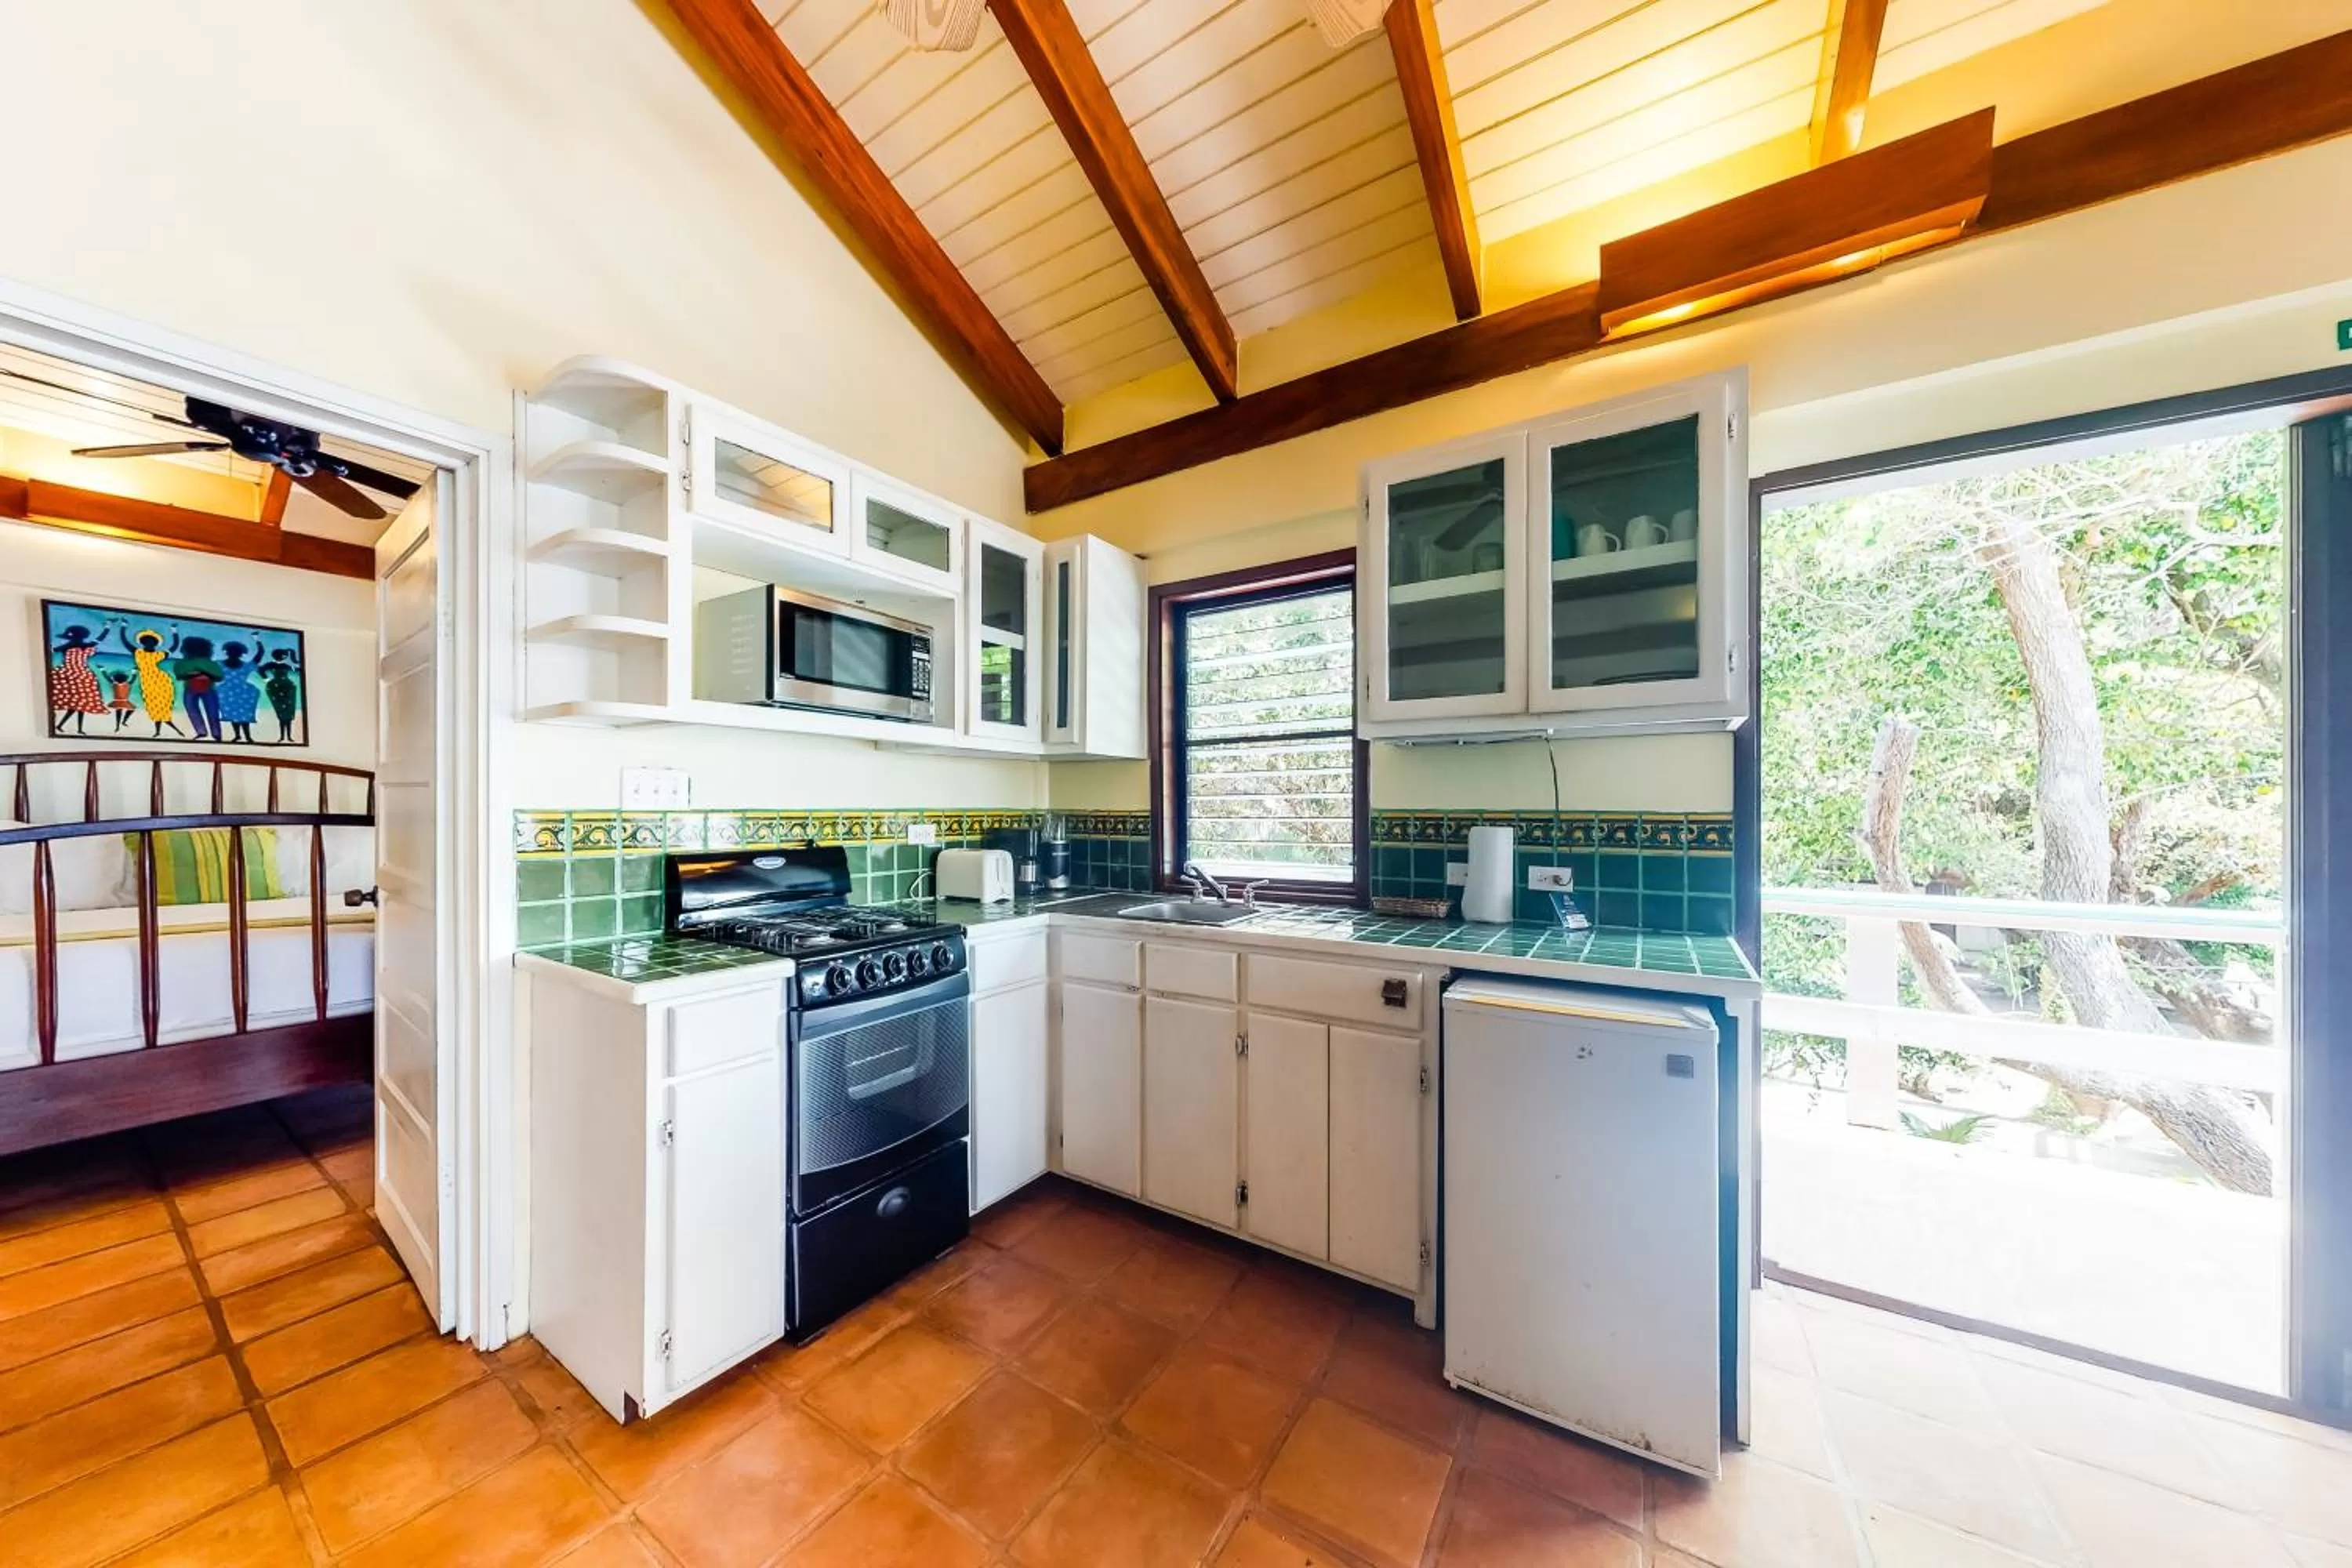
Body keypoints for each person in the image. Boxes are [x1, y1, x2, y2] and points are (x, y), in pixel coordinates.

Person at [111, 623, 184, 739]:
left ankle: (162, 729)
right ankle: (158, 731)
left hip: (161, 681)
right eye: (146, 641)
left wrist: (174, 631)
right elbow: (125, 642)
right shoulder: (138, 652)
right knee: (153, 706)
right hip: (148, 683)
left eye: (152, 642)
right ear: (142, 643)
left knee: (163, 705)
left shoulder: (158, 654)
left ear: (156, 644)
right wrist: (123, 628)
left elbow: (174, 647)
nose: (150, 644)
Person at [46, 621, 109, 736]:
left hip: (68, 674)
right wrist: (107, 627)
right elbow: (100, 639)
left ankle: (64, 726)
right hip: (83, 675)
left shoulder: (66, 646)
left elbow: (49, 650)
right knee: (80, 704)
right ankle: (74, 728)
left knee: (76, 704)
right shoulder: (87, 645)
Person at [175, 635, 227, 742]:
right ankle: (208, 733)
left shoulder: (208, 663)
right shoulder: (182, 663)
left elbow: (219, 677)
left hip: (206, 689)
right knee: (199, 710)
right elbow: (180, 676)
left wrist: (204, 674)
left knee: (207, 711)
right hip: (193, 689)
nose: (182, 651)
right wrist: (198, 674)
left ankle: (212, 733)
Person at [217, 638, 263, 744]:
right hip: (242, 692)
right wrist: (258, 641)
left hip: (230, 692)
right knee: (240, 715)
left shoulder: (219, 664)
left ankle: (241, 736)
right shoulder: (246, 666)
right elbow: (259, 655)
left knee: (237, 715)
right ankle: (244, 737)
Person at [259, 641, 303, 744]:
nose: (283, 658)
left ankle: (289, 736)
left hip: (288, 688)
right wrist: (266, 679)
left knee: (288, 714)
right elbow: (260, 670)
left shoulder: (286, 665)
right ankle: (283, 736)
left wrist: (295, 661)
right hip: (276, 688)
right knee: (281, 714)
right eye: (283, 656)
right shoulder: (270, 664)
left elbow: (298, 670)